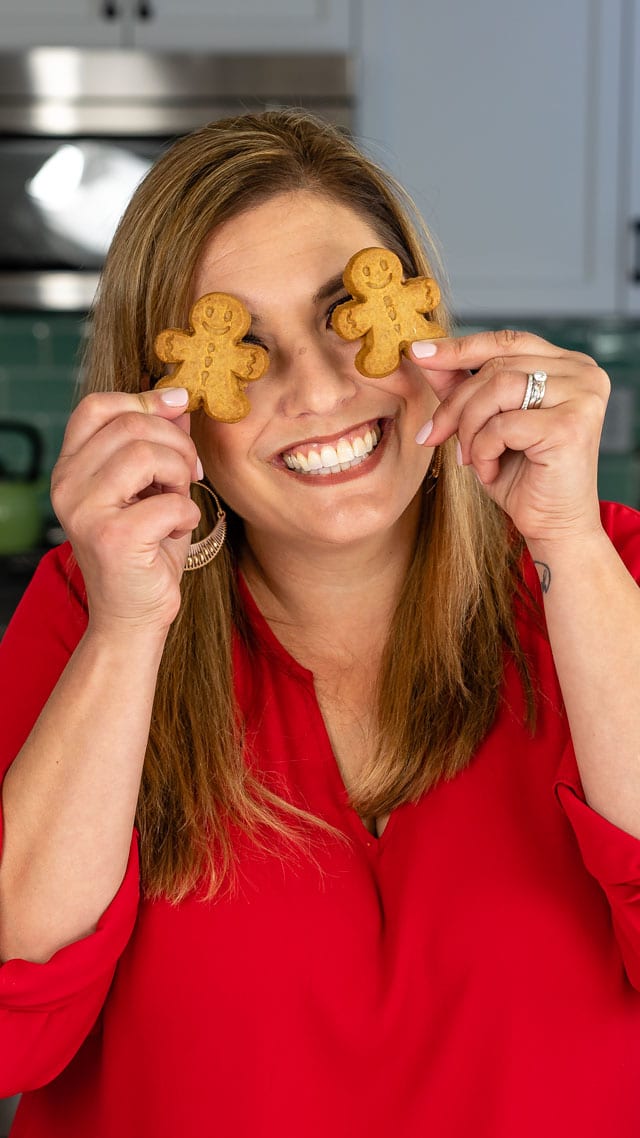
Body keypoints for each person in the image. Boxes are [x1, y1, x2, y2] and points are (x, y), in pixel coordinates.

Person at [0, 108, 639, 1138]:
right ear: (171, 397)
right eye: (241, 349)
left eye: (351, 314)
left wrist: (560, 534)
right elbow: (11, 1024)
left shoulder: (608, 570)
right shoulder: (92, 615)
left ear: (425, 325)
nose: (319, 386)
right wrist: (128, 627)